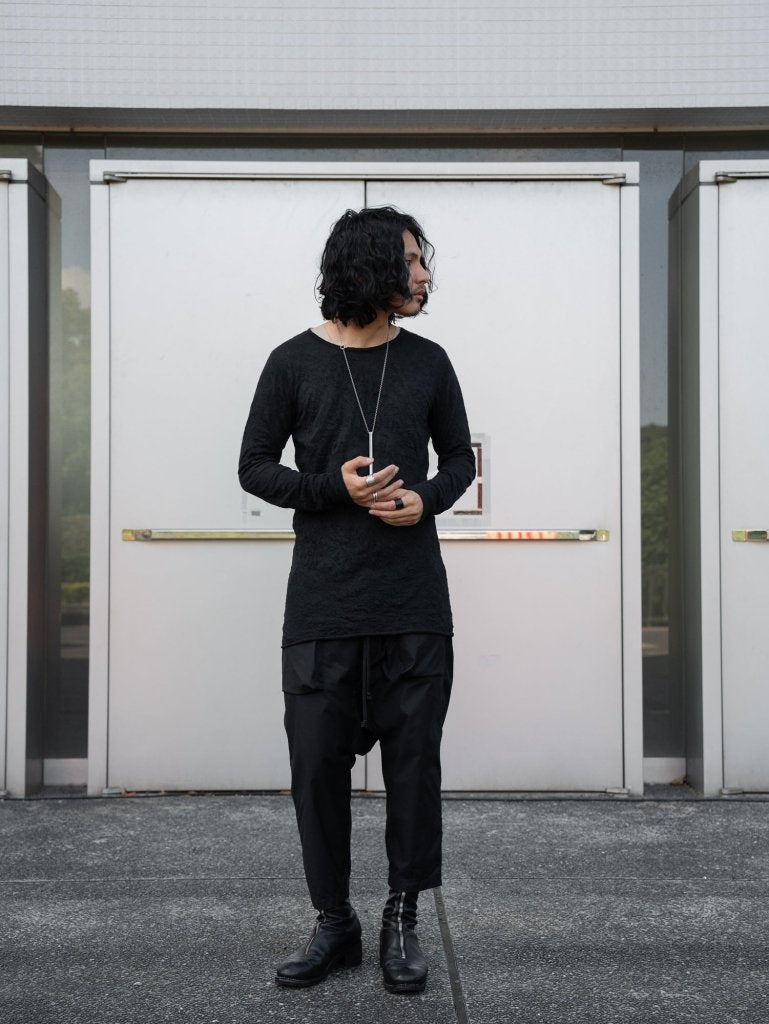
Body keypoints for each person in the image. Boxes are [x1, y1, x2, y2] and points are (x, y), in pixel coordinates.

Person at [238, 206, 475, 994]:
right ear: (368, 266)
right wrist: (330, 490)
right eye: (411, 261)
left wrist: (425, 500)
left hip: (412, 603)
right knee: (315, 772)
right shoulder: (291, 362)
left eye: (422, 261)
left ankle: (401, 918)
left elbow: (458, 460)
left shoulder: (430, 362)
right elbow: (253, 466)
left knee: (413, 770)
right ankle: (333, 922)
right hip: (323, 605)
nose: (424, 275)